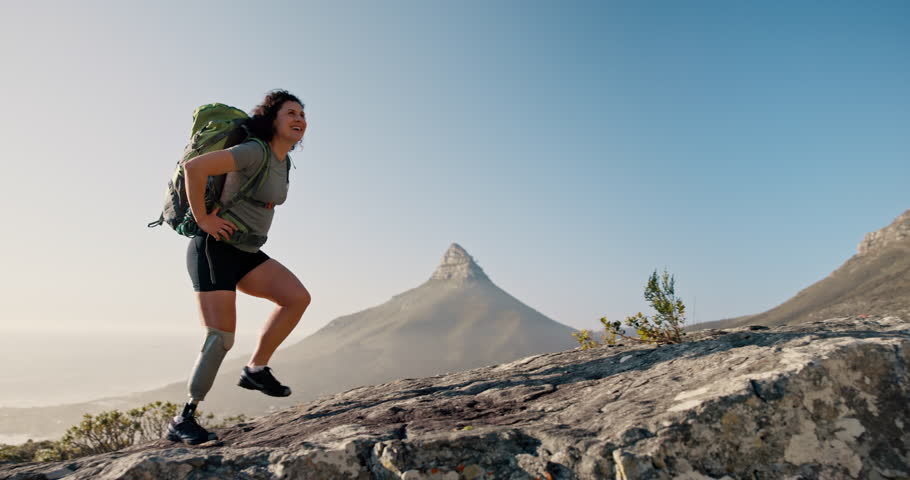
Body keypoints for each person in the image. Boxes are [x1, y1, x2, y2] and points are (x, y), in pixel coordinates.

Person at [166, 90, 312, 445]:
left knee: (296, 298)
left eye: (303, 114)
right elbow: (195, 168)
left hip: (244, 251)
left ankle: (256, 370)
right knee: (221, 338)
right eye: (290, 112)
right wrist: (203, 220)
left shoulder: (282, 161)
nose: (299, 119)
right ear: (272, 119)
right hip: (214, 249)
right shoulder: (254, 151)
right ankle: (183, 419)